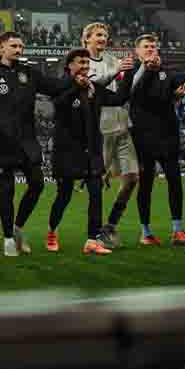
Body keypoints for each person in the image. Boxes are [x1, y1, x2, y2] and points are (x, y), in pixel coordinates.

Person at [0, 32, 69, 255]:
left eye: (21, 46)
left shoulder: (28, 73)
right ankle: (8, 239)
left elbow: (54, 86)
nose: (19, 50)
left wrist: (74, 75)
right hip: (1, 142)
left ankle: (18, 227)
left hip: (27, 140)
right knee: (7, 190)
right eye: (14, 46)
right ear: (2, 48)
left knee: (38, 184)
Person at [45, 48, 130, 254]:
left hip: (91, 151)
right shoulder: (61, 87)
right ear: (69, 66)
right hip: (67, 152)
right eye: (80, 63)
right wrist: (75, 87)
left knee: (96, 194)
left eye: (86, 63)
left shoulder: (95, 88)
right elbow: (57, 107)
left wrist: (127, 74)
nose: (85, 66)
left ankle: (92, 240)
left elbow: (118, 99)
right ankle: (52, 231)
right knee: (64, 196)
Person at [121, 34, 185, 246]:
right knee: (146, 183)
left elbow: (176, 87)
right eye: (146, 46)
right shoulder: (132, 73)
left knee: (175, 180)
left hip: (168, 134)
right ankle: (145, 232)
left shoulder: (166, 73)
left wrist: (180, 92)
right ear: (137, 51)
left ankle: (177, 230)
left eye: (153, 46)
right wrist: (146, 68)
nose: (151, 49)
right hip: (143, 136)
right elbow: (132, 93)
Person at [82, 22, 140, 247]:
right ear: (86, 38)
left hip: (123, 124)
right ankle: (94, 233)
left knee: (133, 177)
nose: (103, 38)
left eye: (105, 35)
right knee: (96, 183)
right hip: (101, 128)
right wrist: (118, 71)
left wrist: (136, 70)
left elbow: (126, 90)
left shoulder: (112, 60)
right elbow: (95, 86)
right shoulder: (84, 62)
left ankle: (111, 225)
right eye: (98, 34)